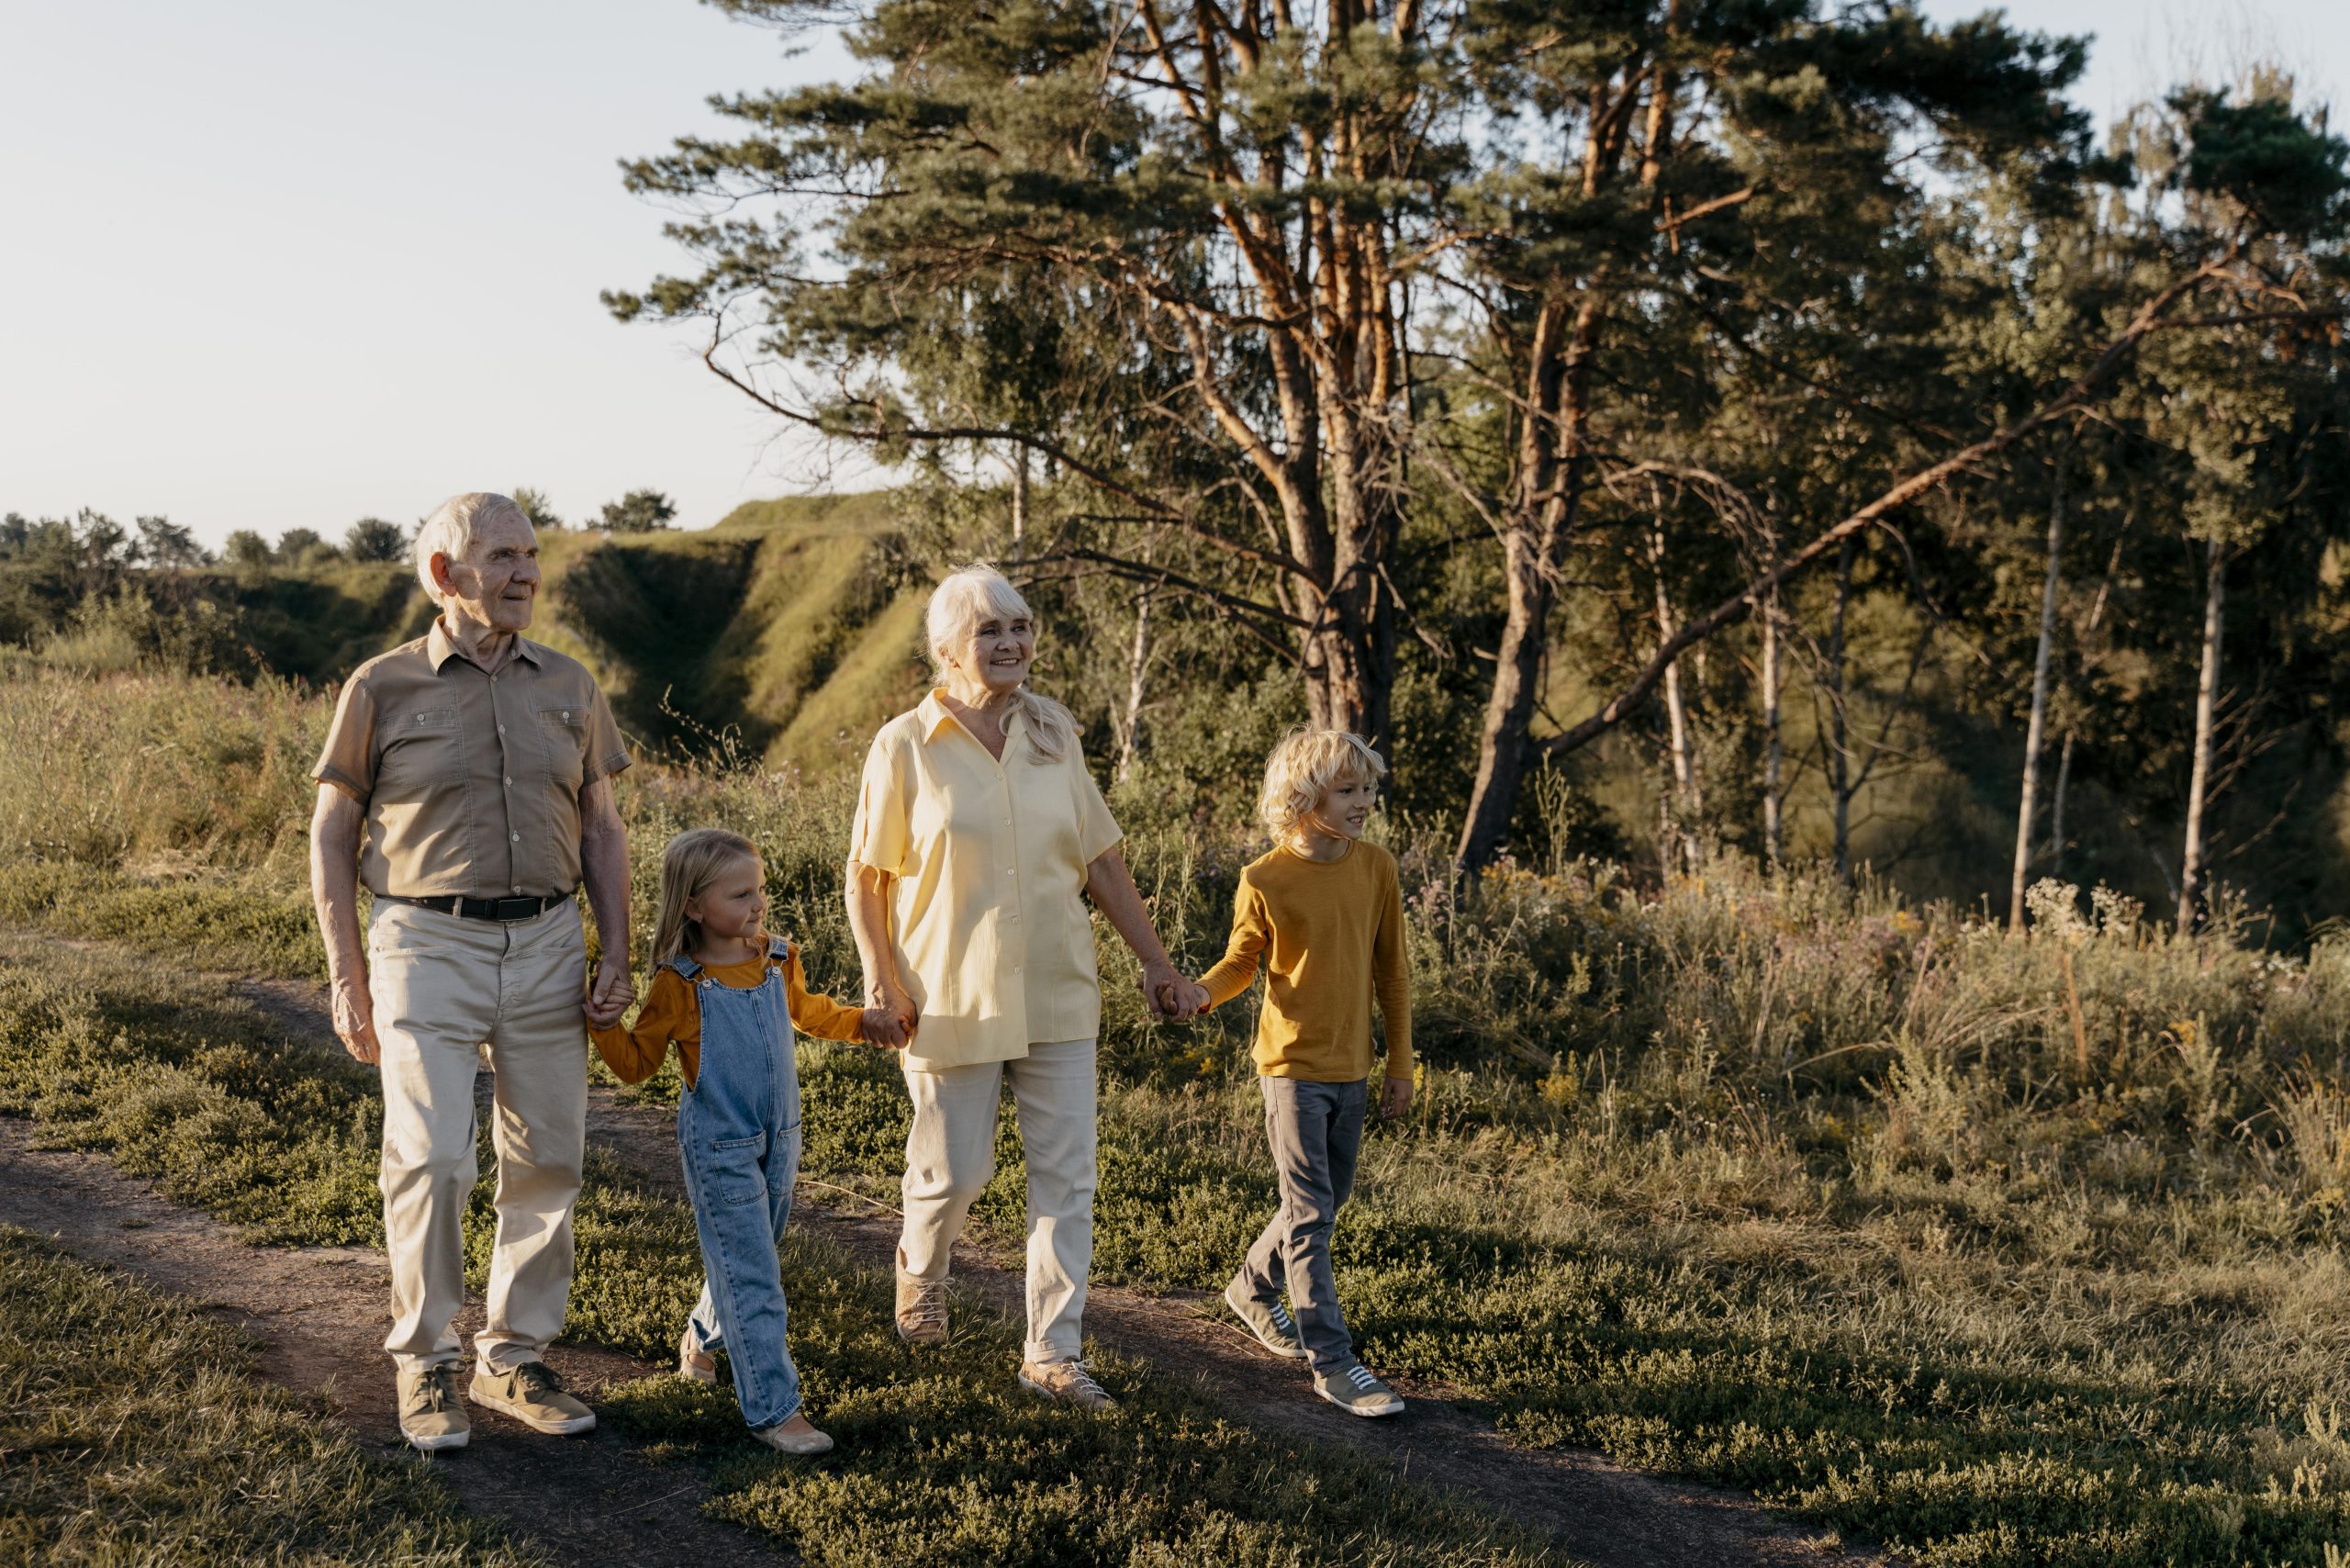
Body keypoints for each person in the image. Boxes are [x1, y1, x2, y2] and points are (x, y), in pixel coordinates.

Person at [308, 491, 636, 1452]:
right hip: (423, 941)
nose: (527, 573)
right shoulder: (381, 686)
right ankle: (424, 1358)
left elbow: (603, 827)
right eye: (503, 556)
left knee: (549, 1159)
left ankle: (512, 1354)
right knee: (435, 1154)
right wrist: (343, 972)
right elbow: (332, 832)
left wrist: (615, 949)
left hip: (545, 943)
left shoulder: (570, 684)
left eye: (532, 554)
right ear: (446, 575)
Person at [845, 564, 1192, 1410]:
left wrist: (1155, 962)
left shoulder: (1054, 734)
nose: (1011, 644)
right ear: (946, 650)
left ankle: (1052, 1351)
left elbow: (1100, 859)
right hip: (947, 994)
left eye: (1021, 627)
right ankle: (921, 1277)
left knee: (1067, 1177)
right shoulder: (903, 745)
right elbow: (867, 876)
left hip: (1056, 986)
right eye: (990, 631)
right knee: (953, 1172)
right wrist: (879, 981)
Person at [591, 828, 902, 1454]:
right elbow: (636, 1066)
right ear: (695, 907)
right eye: (740, 895)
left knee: (747, 1256)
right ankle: (774, 1409)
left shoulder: (777, 958)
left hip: (782, 1140)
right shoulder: (680, 984)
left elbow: (810, 1012)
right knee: (755, 1276)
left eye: (759, 889)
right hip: (719, 1148)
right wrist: (600, 1024)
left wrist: (863, 1023)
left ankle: (702, 1337)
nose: (757, 904)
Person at [1179, 728, 1415, 1418]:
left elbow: (1392, 974)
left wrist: (1400, 1064)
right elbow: (1240, 964)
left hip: (1353, 1067)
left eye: (1367, 788)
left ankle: (1251, 1287)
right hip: (1289, 1070)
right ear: (1304, 797)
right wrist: (1200, 993)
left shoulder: (1376, 868)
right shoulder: (1264, 879)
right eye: (1348, 790)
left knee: (1323, 1203)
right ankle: (1333, 1363)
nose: (1363, 801)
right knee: (1311, 1215)